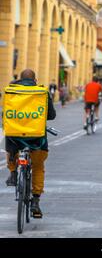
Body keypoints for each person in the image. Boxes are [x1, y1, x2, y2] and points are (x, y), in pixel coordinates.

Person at [5, 69, 56, 219]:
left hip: (15, 139)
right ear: (35, 79)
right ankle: (35, 200)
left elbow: (5, 113)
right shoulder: (42, 92)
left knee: (9, 141)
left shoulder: (11, 90)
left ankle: (13, 173)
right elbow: (51, 115)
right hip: (37, 139)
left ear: (20, 79)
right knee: (38, 167)